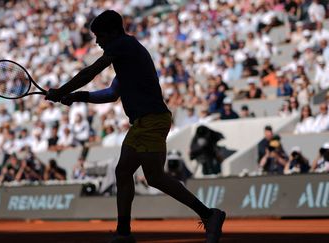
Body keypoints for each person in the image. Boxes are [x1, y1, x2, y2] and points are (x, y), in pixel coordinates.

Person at [45, 10, 225, 243]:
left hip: (151, 120)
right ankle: (123, 233)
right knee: (126, 172)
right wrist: (77, 97)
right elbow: (111, 94)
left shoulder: (122, 46)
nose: (98, 41)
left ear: (112, 33)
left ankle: (209, 214)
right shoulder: (128, 53)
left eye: (100, 36)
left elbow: (91, 72)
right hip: (144, 122)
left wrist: (62, 91)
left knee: (156, 178)